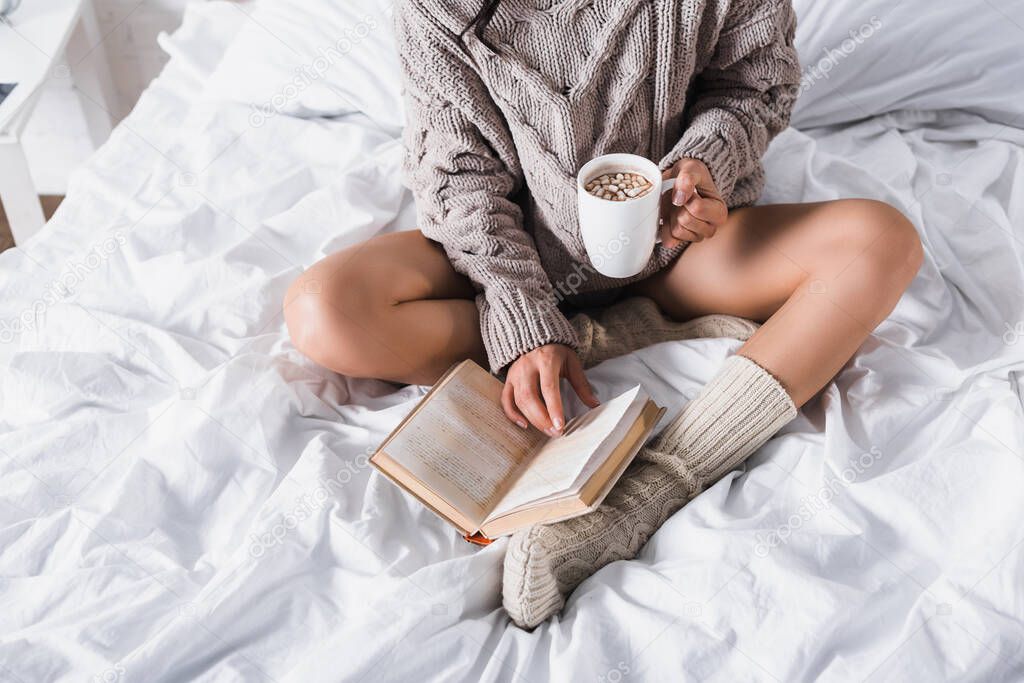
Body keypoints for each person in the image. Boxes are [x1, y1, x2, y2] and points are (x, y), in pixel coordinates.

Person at [284, 0, 923, 629]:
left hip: (677, 250)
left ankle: (651, 489)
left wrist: (705, 165)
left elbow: (753, 87)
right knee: (323, 312)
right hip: (512, 248)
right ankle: (594, 335)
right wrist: (524, 317)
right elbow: (460, 175)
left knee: (881, 243)